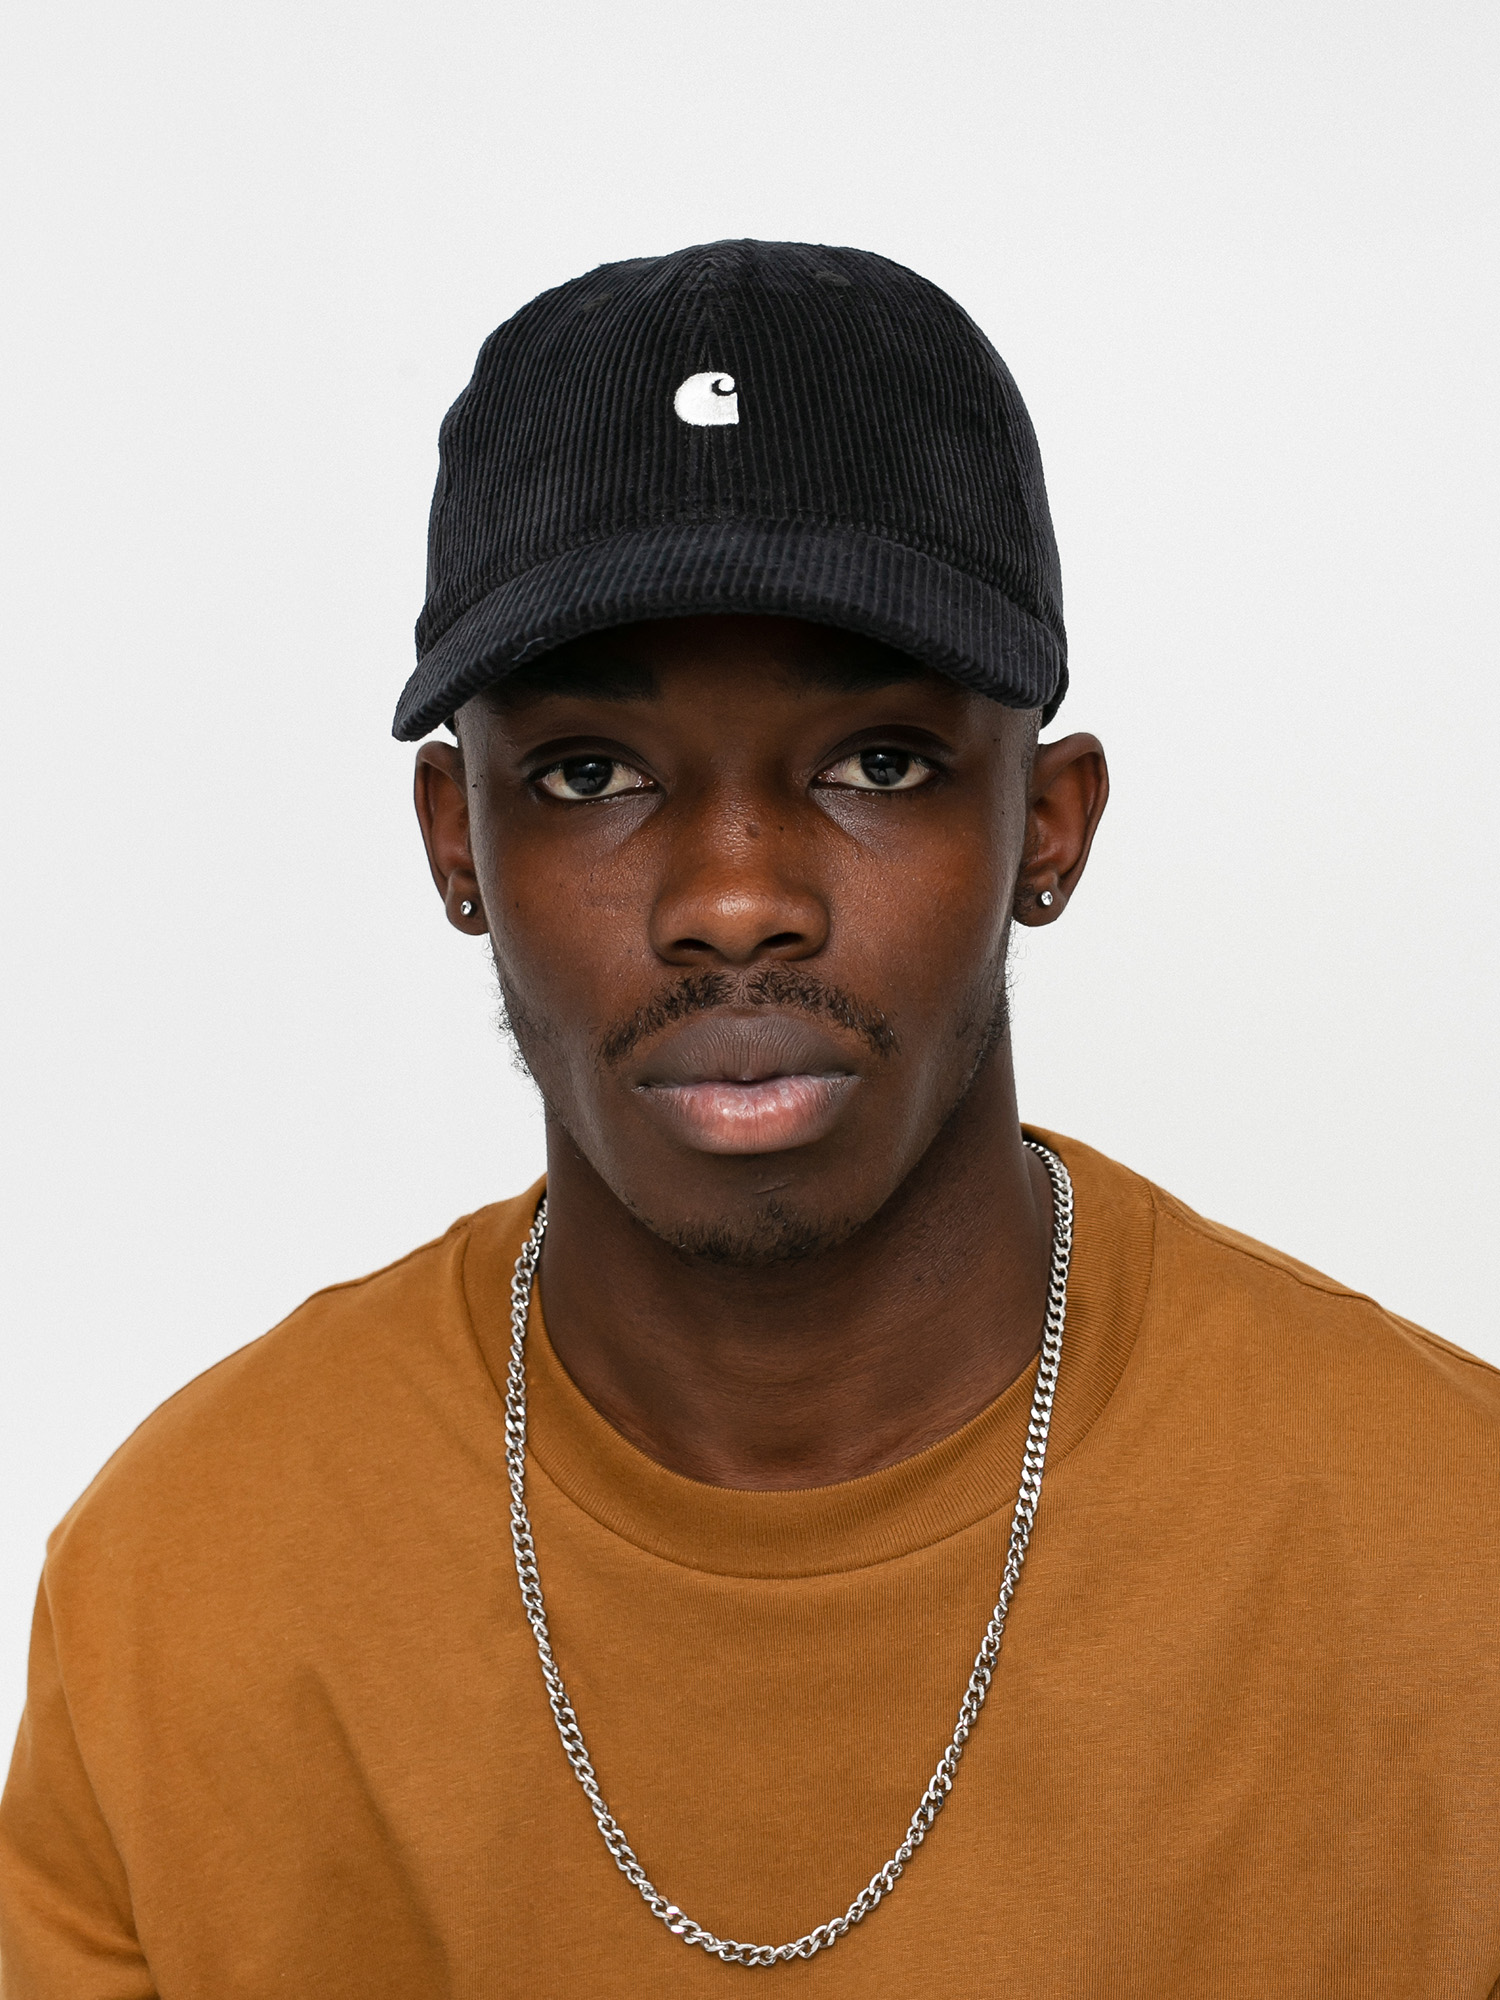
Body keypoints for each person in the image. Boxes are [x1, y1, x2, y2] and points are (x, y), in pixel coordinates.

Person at [2, 240, 1497, 1999]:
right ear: (457, 842)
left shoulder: (1452, 1555)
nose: (733, 900)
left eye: (880, 762)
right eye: (589, 774)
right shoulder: (185, 1583)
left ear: (1049, 827)